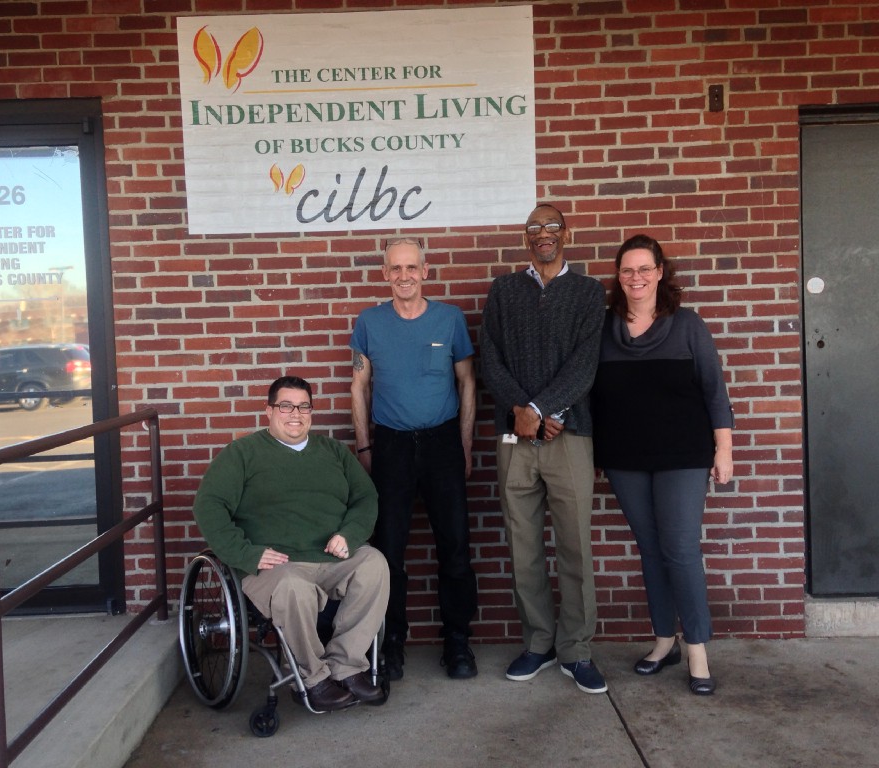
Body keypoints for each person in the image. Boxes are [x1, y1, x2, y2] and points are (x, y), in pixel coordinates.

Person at [590, 234, 734, 696]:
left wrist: (723, 449)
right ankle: (663, 641)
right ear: (619, 276)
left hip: (683, 456)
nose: (636, 278)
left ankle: (697, 649)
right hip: (626, 458)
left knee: (680, 549)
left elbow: (714, 390)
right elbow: (591, 395)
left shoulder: (687, 325)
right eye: (627, 270)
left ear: (659, 272)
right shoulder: (605, 329)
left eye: (644, 269)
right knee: (649, 549)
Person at [192, 375, 389, 711]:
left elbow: (366, 498)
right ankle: (312, 678)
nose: (295, 414)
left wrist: (350, 535)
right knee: (293, 587)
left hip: (330, 557)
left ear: (311, 412)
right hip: (275, 565)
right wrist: (246, 554)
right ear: (269, 411)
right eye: (285, 405)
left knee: (374, 565)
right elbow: (207, 505)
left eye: (303, 406)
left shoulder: (333, 452)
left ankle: (346, 666)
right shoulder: (243, 454)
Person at [480, 203, 608, 694]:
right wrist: (522, 409)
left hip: (569, 435)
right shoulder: (505, 290)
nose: (543, 234)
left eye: (551, 226)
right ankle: (539, 642)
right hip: (515, 436)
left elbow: (586, 363)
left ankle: (576, 650)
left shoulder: (588, 292)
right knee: (523, 546)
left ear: (566, 233)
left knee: (574, 545)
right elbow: (489, 355)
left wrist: (545, 409)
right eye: (534, 228)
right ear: (526, 238)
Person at [349, 237, 479, 681]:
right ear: (385, 274)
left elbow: (467, 384)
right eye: (395, 269)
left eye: (411, 268)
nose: (403, 276)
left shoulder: (450, 319)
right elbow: (358, 388)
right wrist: (365, 447)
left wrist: (463, 446)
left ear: (425, 271)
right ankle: (390, 645)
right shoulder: (369, 323)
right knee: (387, 552)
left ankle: (458, 643)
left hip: (443, 443)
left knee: (456, 546)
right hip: (392, 447)